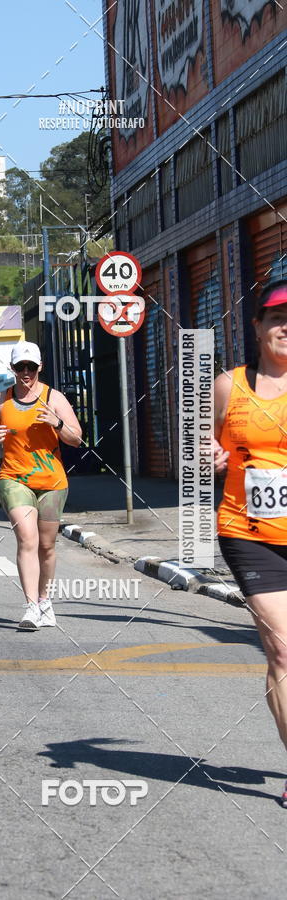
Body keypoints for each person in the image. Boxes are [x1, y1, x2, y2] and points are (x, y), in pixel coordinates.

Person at [214, 279, 287, 807]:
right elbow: (199, 447)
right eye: (278, 317)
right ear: (258, 326)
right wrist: (207, 456)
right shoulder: (227, 386)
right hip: (248, 532)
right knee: (283, 651)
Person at [0, 341, 82, 630]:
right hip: (14, 478)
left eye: (30, 367)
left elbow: (77, 439)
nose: (25, 372)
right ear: (12, 369)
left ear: (40, 367)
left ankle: (45, 601)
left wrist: (58, 423)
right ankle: (30, 607)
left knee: (47, 546)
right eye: (19, 367)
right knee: (27, 539)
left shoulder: (54, 398)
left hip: (51, 481)